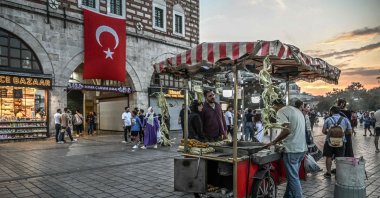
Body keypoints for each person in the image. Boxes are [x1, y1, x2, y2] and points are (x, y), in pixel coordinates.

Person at [266, 99, 307, 198]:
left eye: (273, 108)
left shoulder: (281, 111)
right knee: (293, 177)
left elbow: (286, 130)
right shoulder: (297, 111)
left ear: (276, 105)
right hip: (302, 149)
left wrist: (274, 141)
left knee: (293, 179)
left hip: (292, 149)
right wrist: (281, 140)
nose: (274, 110)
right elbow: (293, 130)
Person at [322, 106, 352, 178]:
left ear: (331, 112)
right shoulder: (345, 119)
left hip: (329, 141)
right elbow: (350, 131)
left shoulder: (328, 119)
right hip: (341, 141)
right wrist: (342, 134)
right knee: (339, 157)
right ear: (339, 112)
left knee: (328, 156)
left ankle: (328, 173)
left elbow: (323, 131)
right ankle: (338, 173)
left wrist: (330, 134)